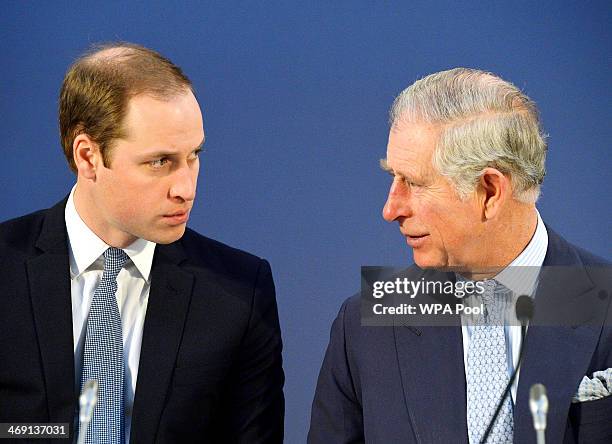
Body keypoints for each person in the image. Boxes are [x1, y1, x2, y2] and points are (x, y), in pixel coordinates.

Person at [0, 43, 284, 443]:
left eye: (194, 156)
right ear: (88, 157)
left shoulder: (239, 292)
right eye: (160, 162)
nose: (186, 188)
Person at [308, 68, 611, 443]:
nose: (391, 209)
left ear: (490, 191)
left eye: (414, 183)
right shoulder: (363, 324)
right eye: (392, 177)